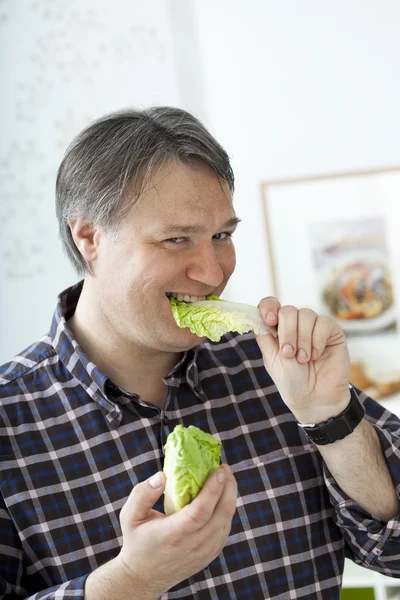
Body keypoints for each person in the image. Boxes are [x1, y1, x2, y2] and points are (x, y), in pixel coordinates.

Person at [1, 107, 399, 600]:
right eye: (176, 239)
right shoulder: (8, 421)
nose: (212, 274)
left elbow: (394, 552)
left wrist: (331, 419)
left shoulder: (276, 367)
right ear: (89, 238)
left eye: (222, 236)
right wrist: (131, 582)